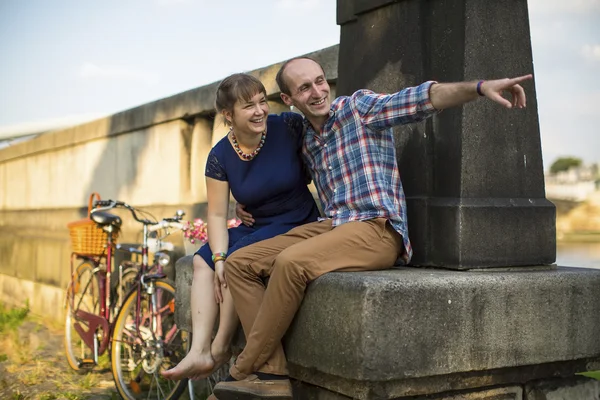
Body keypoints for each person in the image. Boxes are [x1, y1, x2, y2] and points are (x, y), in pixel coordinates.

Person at [212, 57, 533, 399]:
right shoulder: (304, 136)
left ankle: (243, 369)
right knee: (239, 263)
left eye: (321, 81)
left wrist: (481, 88)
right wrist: (244, 202)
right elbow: (276, 175)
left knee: (291, 263)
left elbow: (423, 98)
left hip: (376, 227)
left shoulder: (358, 109)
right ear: (289, 99)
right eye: (305, 87)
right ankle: (272, 374)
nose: (318, 91)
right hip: (334, 225)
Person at [161, 73, 320, 381]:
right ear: (228, 115)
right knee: (202, 261)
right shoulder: (219, 156)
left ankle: (219, 348)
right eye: (249, 106)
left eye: (263, 102)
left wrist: (228, 261)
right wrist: (219, 258)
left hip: (296, 223)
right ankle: (198, 351)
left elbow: (321, 146)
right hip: (256, 224)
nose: (261, 110)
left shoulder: (287, 127)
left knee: (238, 259)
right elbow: (218, 215)